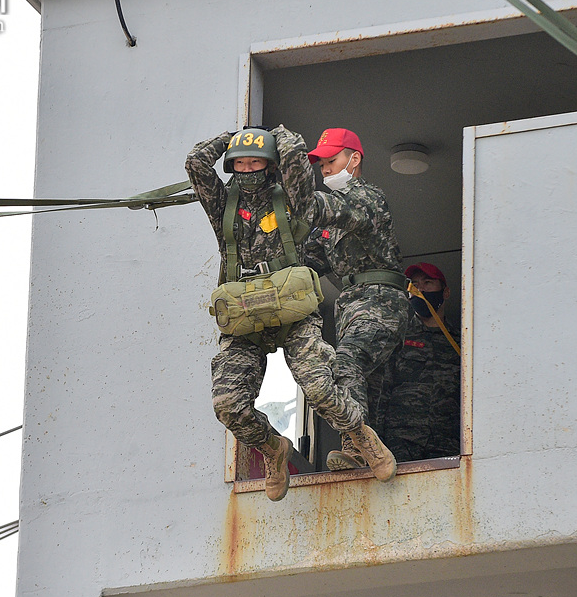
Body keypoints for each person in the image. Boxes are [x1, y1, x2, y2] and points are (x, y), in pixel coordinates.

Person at [185, 125, 395, 501]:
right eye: (240, 164)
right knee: (227, 404)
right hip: (244, 318)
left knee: (319, 388)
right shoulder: (223, 206)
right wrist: (232, 136)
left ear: (269, 166)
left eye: (256, 162)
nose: (248, 170)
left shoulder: (291, 200)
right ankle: (272, 448)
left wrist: (278, 135)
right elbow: (197, 163)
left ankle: (362, 435)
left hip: (294, 314)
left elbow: (298, 164)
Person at [305, 128, 411, 474]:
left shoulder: (367, 199)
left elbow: (341, 213)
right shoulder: (327, 223)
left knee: (345, 363)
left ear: (354, 159)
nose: (326, 171)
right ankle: (372, 453)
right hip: (351, 306)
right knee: (373, 392)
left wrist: (298, 200)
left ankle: (354, 444)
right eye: (321, 166)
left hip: (381, 301)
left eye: (331, 161)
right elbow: (305, 265)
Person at [381, 262, 461, 462]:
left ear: (446, 292)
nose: (420, 289)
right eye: (415, 284)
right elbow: (381, 391)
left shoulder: (463, 342)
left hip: (448, 443)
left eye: (428, 283)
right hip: (401, 441)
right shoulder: (398, 338)